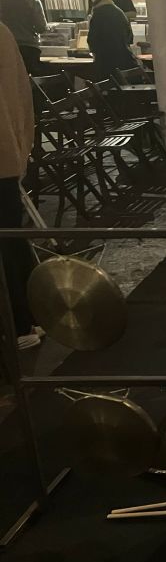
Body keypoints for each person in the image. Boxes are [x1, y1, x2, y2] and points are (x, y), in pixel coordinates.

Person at [0, 21, 41, 350]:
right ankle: (30, 316)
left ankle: (18, 324)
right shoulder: (2, 32)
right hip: (7, 156)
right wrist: (20, 150)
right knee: (11, 239)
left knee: (7, 244)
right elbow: (23, 98)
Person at [0, 0, 48, 74]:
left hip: (4, 44)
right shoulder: (32, 0)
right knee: (28, 77)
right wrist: (49, 28)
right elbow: (41, 27)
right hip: (28, 46)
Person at [87, 0, 138, 80]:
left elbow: (92, 41)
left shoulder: (97, 14)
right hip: (125, 61)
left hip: (105, 64)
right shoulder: (120, 12)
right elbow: (129, 37)